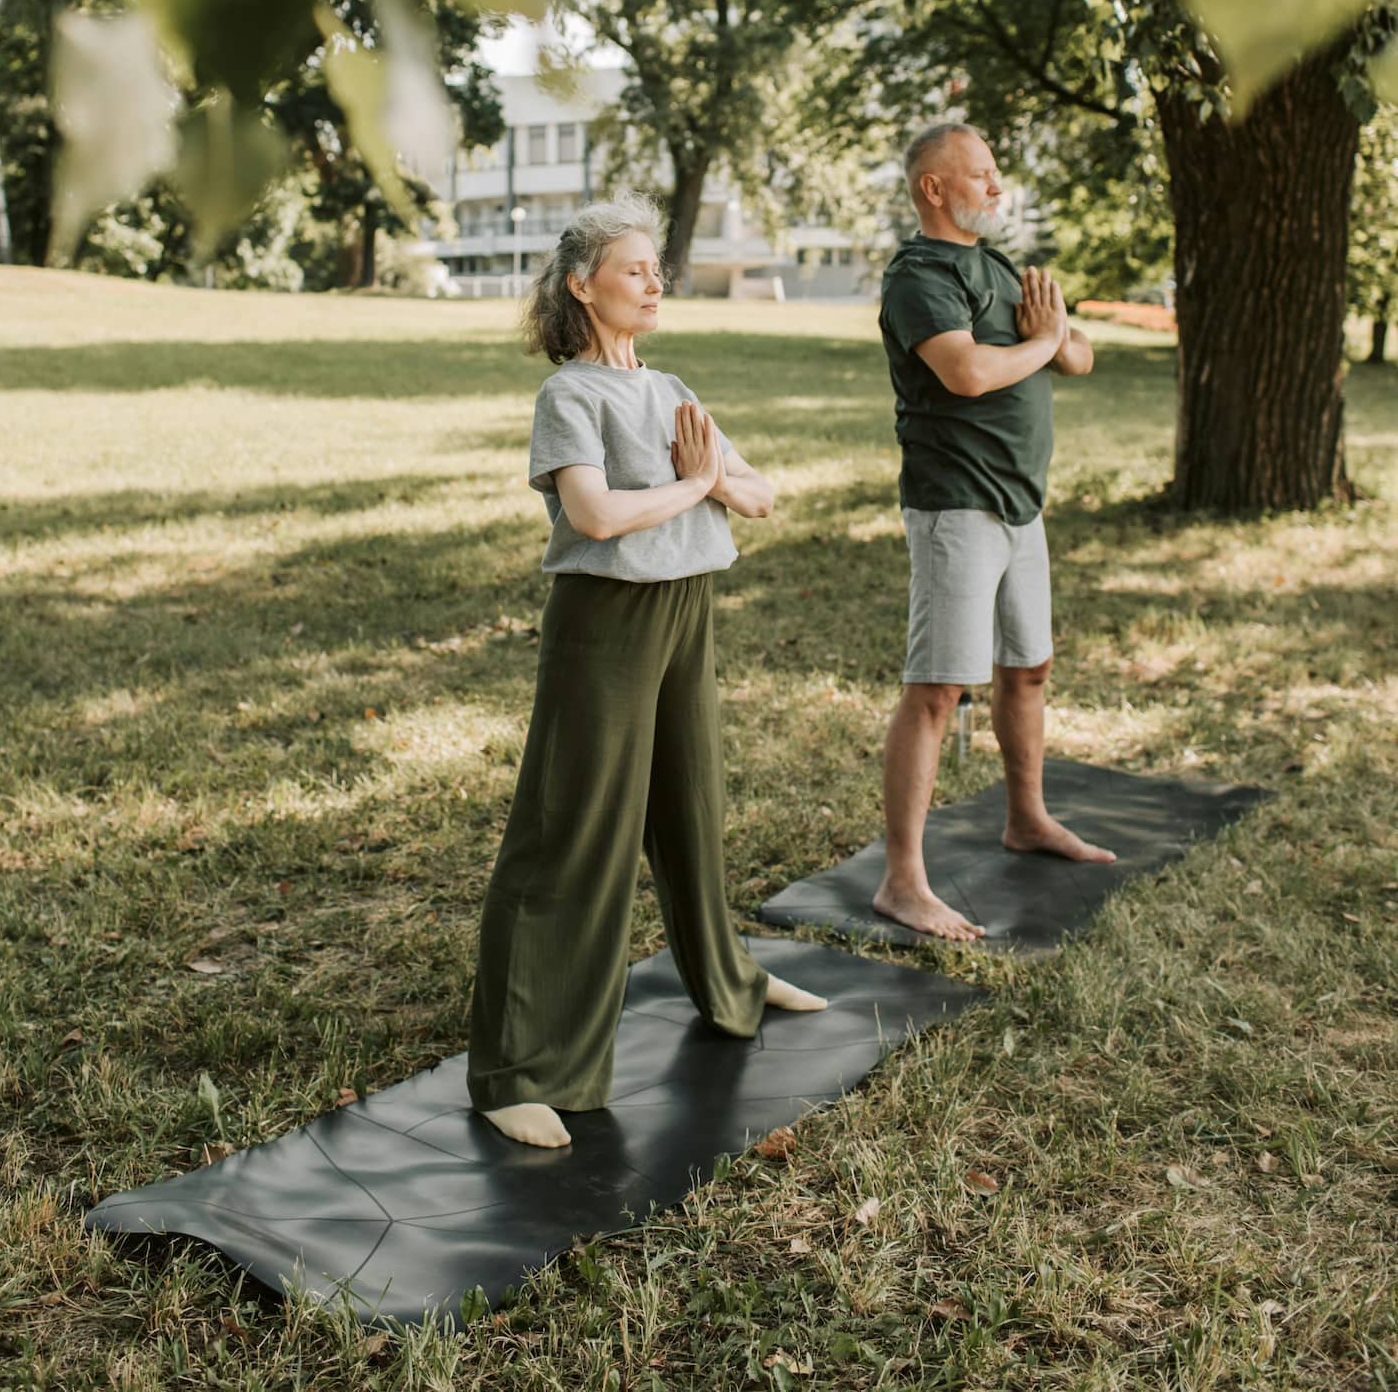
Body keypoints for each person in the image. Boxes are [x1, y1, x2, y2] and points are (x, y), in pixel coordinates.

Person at [467, 193, 826, 1149]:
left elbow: (759, 493)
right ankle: (519, 1068)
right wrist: (697, 486)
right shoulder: (571, 396)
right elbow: (593, 515)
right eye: (635, 268)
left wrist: (707, 484)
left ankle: (730, 981)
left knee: (691, 809)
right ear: (583, 285)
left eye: (657, 267)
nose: (654, 280)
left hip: (685, 608)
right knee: (576, 830)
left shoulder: (669, 388)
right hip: (606, 620)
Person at [875, 122, 1116, 943]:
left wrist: (1053, 338)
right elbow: (968, 373)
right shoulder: (920, 276)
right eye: (979, 175)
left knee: (1030, 668)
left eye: (996, 173)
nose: (996, 186)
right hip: (957, 504)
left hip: (1021, 503)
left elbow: (1079, 357)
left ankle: (1027, 818)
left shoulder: (999, 268)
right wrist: (1044, 341)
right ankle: (903, 882)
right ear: (934, 189)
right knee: (940, 690)